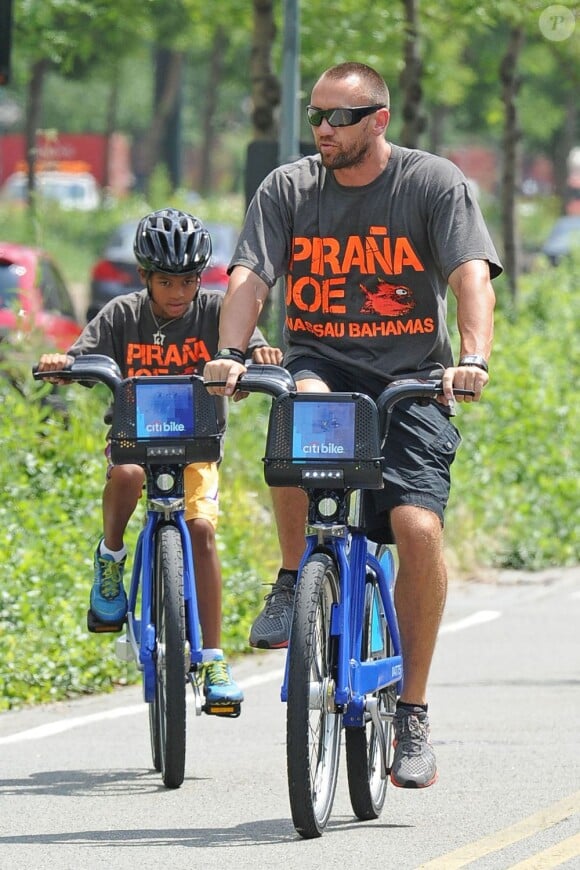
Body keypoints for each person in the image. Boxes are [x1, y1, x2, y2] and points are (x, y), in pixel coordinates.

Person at [204, 62, 501, 785]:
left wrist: (473, 360)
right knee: (299, 400)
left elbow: (469, 274)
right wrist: (231, 354)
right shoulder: (289, 188)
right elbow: (250, 277)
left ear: (379, 121)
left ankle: (415, 713)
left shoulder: (432, 184)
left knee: (417, 530)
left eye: (339, 118)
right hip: (323, 363)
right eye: (316, 118)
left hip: (412, 382)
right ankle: (289, 577)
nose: (323, 132)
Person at [36, 208, 282, 710]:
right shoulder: (122, 315)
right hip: (135, 442)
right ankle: (110, 558)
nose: (178, 291)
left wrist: (259, 356)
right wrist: (64, 364)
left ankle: (212, 656)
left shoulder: (216, 311)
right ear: (144, 276)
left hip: (195, 447)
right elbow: (80, 356)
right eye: (166, 280)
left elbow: (249, 344)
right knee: (124, 475)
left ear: (201, 278)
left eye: (188, 280)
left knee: (203, 531)